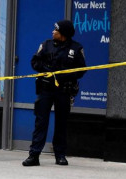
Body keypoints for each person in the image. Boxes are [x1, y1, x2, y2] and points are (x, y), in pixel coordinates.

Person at [23, 19, 86, 166]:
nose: (53, 31)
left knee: (61, 123)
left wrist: (64, 75)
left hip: (63, 91)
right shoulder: (46, 45)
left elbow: (82, 69)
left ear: (63, 34)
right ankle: (34, 155)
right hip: (46, 89)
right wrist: (47, 70)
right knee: (41, 122)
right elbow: (34, 62)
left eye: (56, 30)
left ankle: (60, 155)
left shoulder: (76, 48)